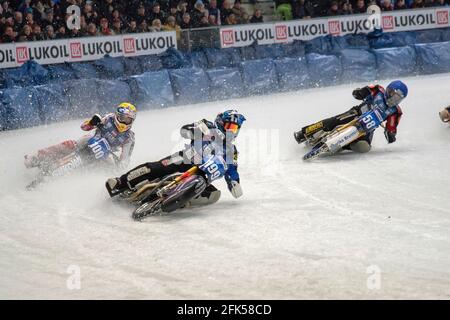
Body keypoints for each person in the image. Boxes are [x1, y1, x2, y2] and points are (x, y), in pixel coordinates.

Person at [105, 109, 246, 207]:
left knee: (213, 194)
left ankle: (180, 202)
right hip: (186, 159)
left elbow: (232, 169)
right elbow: (185, 129)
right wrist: (192, 130)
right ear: (220, 122)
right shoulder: (207, 125)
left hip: (202, 175)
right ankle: (120, 182)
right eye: (229, 126)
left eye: (234, 129)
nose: (231, 131)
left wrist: (234, 182)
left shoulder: (231, 150)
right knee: (156, 167)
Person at [294, 81, 408, 153]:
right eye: (394, 95)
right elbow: (362, 92)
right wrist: (359, 93)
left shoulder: (395, 112)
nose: (394, 100)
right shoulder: (378, 90)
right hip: (356, 114)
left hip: (367, 129)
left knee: (364, 147)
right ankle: (304, 132)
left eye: (398, 98)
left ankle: (342, 145)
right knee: (332, 122)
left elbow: (391, 127)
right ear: (389, 91)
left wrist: (391, 134)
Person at [25, 103, 137, 170]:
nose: (125, 122)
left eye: (128, 119)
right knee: (70, 145)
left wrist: (119, 165)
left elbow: (125, 160)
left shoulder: (129, 137)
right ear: (117, 116)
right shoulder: (108, 118)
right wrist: (92, 123)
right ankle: (37, 157)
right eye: (123, 118)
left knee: (109, 169)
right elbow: (84, 127)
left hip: (105, 154)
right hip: (90, 140)